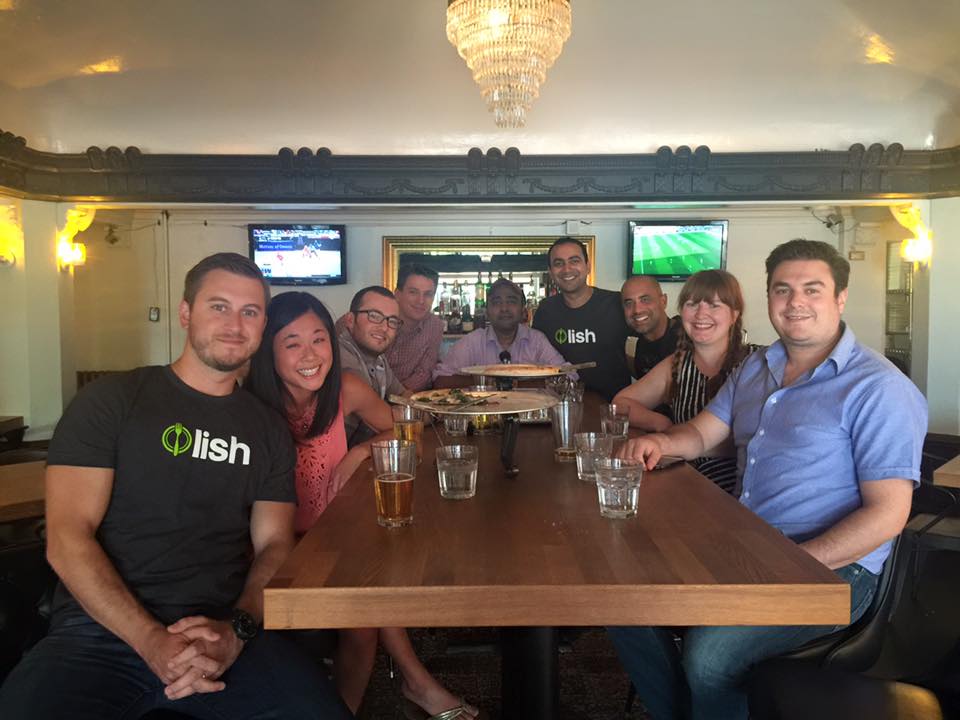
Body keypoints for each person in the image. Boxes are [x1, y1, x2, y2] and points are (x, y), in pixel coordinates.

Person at [0, 253, 351, 719]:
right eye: (218, 306)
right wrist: (150, 641)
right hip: (100, 636)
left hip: (220, 633)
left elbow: (274, 544)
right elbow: (67, 538)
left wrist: (238, 630)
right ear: (186, 313)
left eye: (250, 312)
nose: (234, 324)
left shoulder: (266, 429)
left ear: (262, 326)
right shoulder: (113, 401)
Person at [608, 239, 927, 720]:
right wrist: (664, 443)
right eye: (783, 290)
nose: (796, 302)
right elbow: (700, 433)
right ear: (769, 298)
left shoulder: (879, 388)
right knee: (622, 603)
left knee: (709, 657)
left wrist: (791, 565)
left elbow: (888, 515)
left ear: (839, 298)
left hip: (833, 569)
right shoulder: (756, 369)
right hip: (747, 545)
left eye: (812, 289)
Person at [245, 292, 481, 719]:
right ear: (268, 349)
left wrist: (360, 452)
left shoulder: (346, 389)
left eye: (319, 340)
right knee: (368, 598)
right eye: (292, 342)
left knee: (373, 593)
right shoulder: (250, 409)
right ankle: (415, 683)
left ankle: (354, 705)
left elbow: (407, 432)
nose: (310, 354)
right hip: (273, 546)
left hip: (333, 536)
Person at [613, 270, 760, 494]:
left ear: (734, 314)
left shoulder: (757, 363)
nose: (701, 314)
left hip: (740, 492)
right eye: (692, 304)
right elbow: (621, 403)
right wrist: (661, 424)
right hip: (684, 481)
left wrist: (671, 441)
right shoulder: (678, 364)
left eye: (714, 305)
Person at [533, 237, 632, 400]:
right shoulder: (546, 310)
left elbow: (650, 337)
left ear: (588, 266)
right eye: (558, 263)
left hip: (614, 407)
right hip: (562, 405)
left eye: (574, 261)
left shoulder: (615, 303)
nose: (567, 269)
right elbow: (537, 356)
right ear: (551, 272)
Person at [433, 278, 570, 388]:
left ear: (523, 310)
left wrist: (515, 384)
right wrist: (484, 382)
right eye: (497, 302)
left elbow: (568, 375)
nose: (504, 308)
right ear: (486, 311)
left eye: (511, 301)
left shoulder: (536, 340)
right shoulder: (472, 342)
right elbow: (440, 381)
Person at [338, 285, 408, 446]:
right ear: (350, 320)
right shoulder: (340, 355)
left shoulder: (378, 358)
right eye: (374, 316)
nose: (384, 327)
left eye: (392, 321)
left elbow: (404, 396)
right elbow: (400, 426)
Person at [386, 264, 445, 392]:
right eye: (413, 292)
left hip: (408, 399)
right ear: (397, 294)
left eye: (428, 294)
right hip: (367, 397)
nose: (421, 301)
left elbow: (423, 374)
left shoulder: (435, 325)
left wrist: (398, 397)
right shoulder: (378, 319)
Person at [621, 275, 683, 380]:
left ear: (663, 301)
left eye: (645, 300)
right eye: (629, 303)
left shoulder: (687, 338)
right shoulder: (631, 343)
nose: (637, 310)